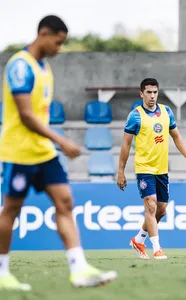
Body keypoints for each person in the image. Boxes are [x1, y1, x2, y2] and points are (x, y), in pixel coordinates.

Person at [0, 15, 117, 291]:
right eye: (58, 41)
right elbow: (27, 116)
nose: (59, 48)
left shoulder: (45, 68)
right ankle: (2, 271)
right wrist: (61, 141)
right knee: (12, 210)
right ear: (44, 33)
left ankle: (79, 269)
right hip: (19, 152)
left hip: (44, 152)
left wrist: (53, 144)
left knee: (65, 202)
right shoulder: (20, 66)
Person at [117, 78, 186, 260]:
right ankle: (157, 249)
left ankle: (138, 239)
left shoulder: (166, 111)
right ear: (141, 94)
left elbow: (176, 136)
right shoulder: (135, 115)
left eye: (155, 92)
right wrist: (121, 171)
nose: (152, 96)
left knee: (161, 210)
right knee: (150, 205)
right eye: (149, 92)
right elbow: (126, 145)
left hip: (162, 170)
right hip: (144, 168)